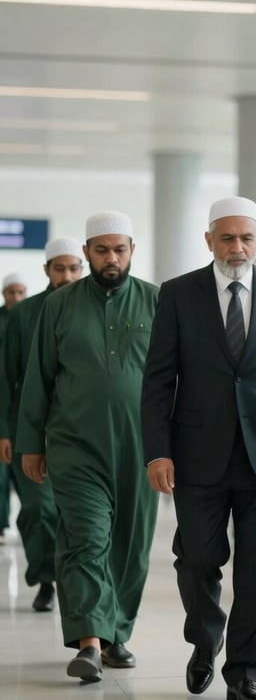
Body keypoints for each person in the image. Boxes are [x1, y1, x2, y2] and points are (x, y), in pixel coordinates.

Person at [141, 196, 256, 700]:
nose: (238, 247)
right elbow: (157, 380)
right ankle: (204, 641)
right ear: (209, 240)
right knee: (197, 560)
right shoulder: (178, 294)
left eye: (247, 238)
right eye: (228, 237)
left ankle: (244, 673)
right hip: (195, 452)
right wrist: (158, 450)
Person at [15, 211, 159, 683]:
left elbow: (176, 380)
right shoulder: (60, 306)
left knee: (131, 545)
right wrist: (30, 444)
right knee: (85, 539)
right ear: (87, 254)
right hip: (74, 444)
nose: (111, 258)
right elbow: (38, 377)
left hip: (142, 445)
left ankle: (117, 632)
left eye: (119, 249)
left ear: (132, 250)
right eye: (101, 250)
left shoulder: (157, 301)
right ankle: (90, 643)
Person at [0, 237, 83, 611]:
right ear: (46, 271)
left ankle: (73, 582)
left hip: (81, 430)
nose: (66, 276)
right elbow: (5, 377)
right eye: (59, 268)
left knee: (76, 512)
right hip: (29, 427)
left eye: (73, 268)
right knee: (37, 508)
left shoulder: (92, 308)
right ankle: (46, 578)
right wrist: (4, 429)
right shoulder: (23, 315)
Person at [0, 271, 27, 544]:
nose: (16, 298)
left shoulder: (31, 317)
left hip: (22, 407)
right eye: (11, 293)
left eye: (21, 292)